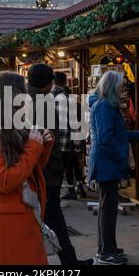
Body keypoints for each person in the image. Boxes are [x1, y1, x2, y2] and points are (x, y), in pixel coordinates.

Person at [0, 71, 55, 265]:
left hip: (24, 215)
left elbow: (30, 171)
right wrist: (34, 147)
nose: (27, 97)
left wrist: (43, 146)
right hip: (7, 222)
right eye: (23, 91)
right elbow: (5, 181)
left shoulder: (15, 128)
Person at [28, 63, 97, 266]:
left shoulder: (23, 101)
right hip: (45, 171)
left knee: (40, 216)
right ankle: (69, 261)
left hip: (32, 170)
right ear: (46, 83)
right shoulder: (43, 104)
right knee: (54, 217)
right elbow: (48, 139)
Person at [89, 71, 139, 265]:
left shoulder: (106, 105)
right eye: (121, 85)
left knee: (107, 208)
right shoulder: (105, 106)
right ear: (112, 86)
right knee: (108, 209)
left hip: (107, 162)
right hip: (107, 163)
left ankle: (107, 247)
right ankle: (106, 251)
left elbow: (119, 135)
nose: (123, 88)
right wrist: (121, 156)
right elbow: (107, 138)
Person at [51, 72, 87, 200]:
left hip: (56, 140)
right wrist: (78, 143)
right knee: (74, 164)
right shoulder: (69, 99)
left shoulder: (48, 98)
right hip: (70, 139)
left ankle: (71, 189)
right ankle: (80, 187)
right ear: (65, 82)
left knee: (65, 166)